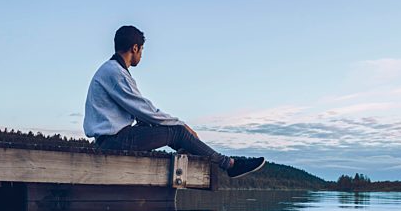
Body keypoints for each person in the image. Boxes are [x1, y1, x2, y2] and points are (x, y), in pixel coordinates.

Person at [84, 25, 265, 179]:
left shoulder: (112, 70)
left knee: (171, 132)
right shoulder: (115, 73)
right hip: (114, 141)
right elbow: (145, 110)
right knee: (177, 132)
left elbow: (143, 115)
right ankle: (230, 165)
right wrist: (182, 125)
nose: (142, 55)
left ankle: (191, 152)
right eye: (142, 50)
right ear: (135, 48)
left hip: (112, 138)